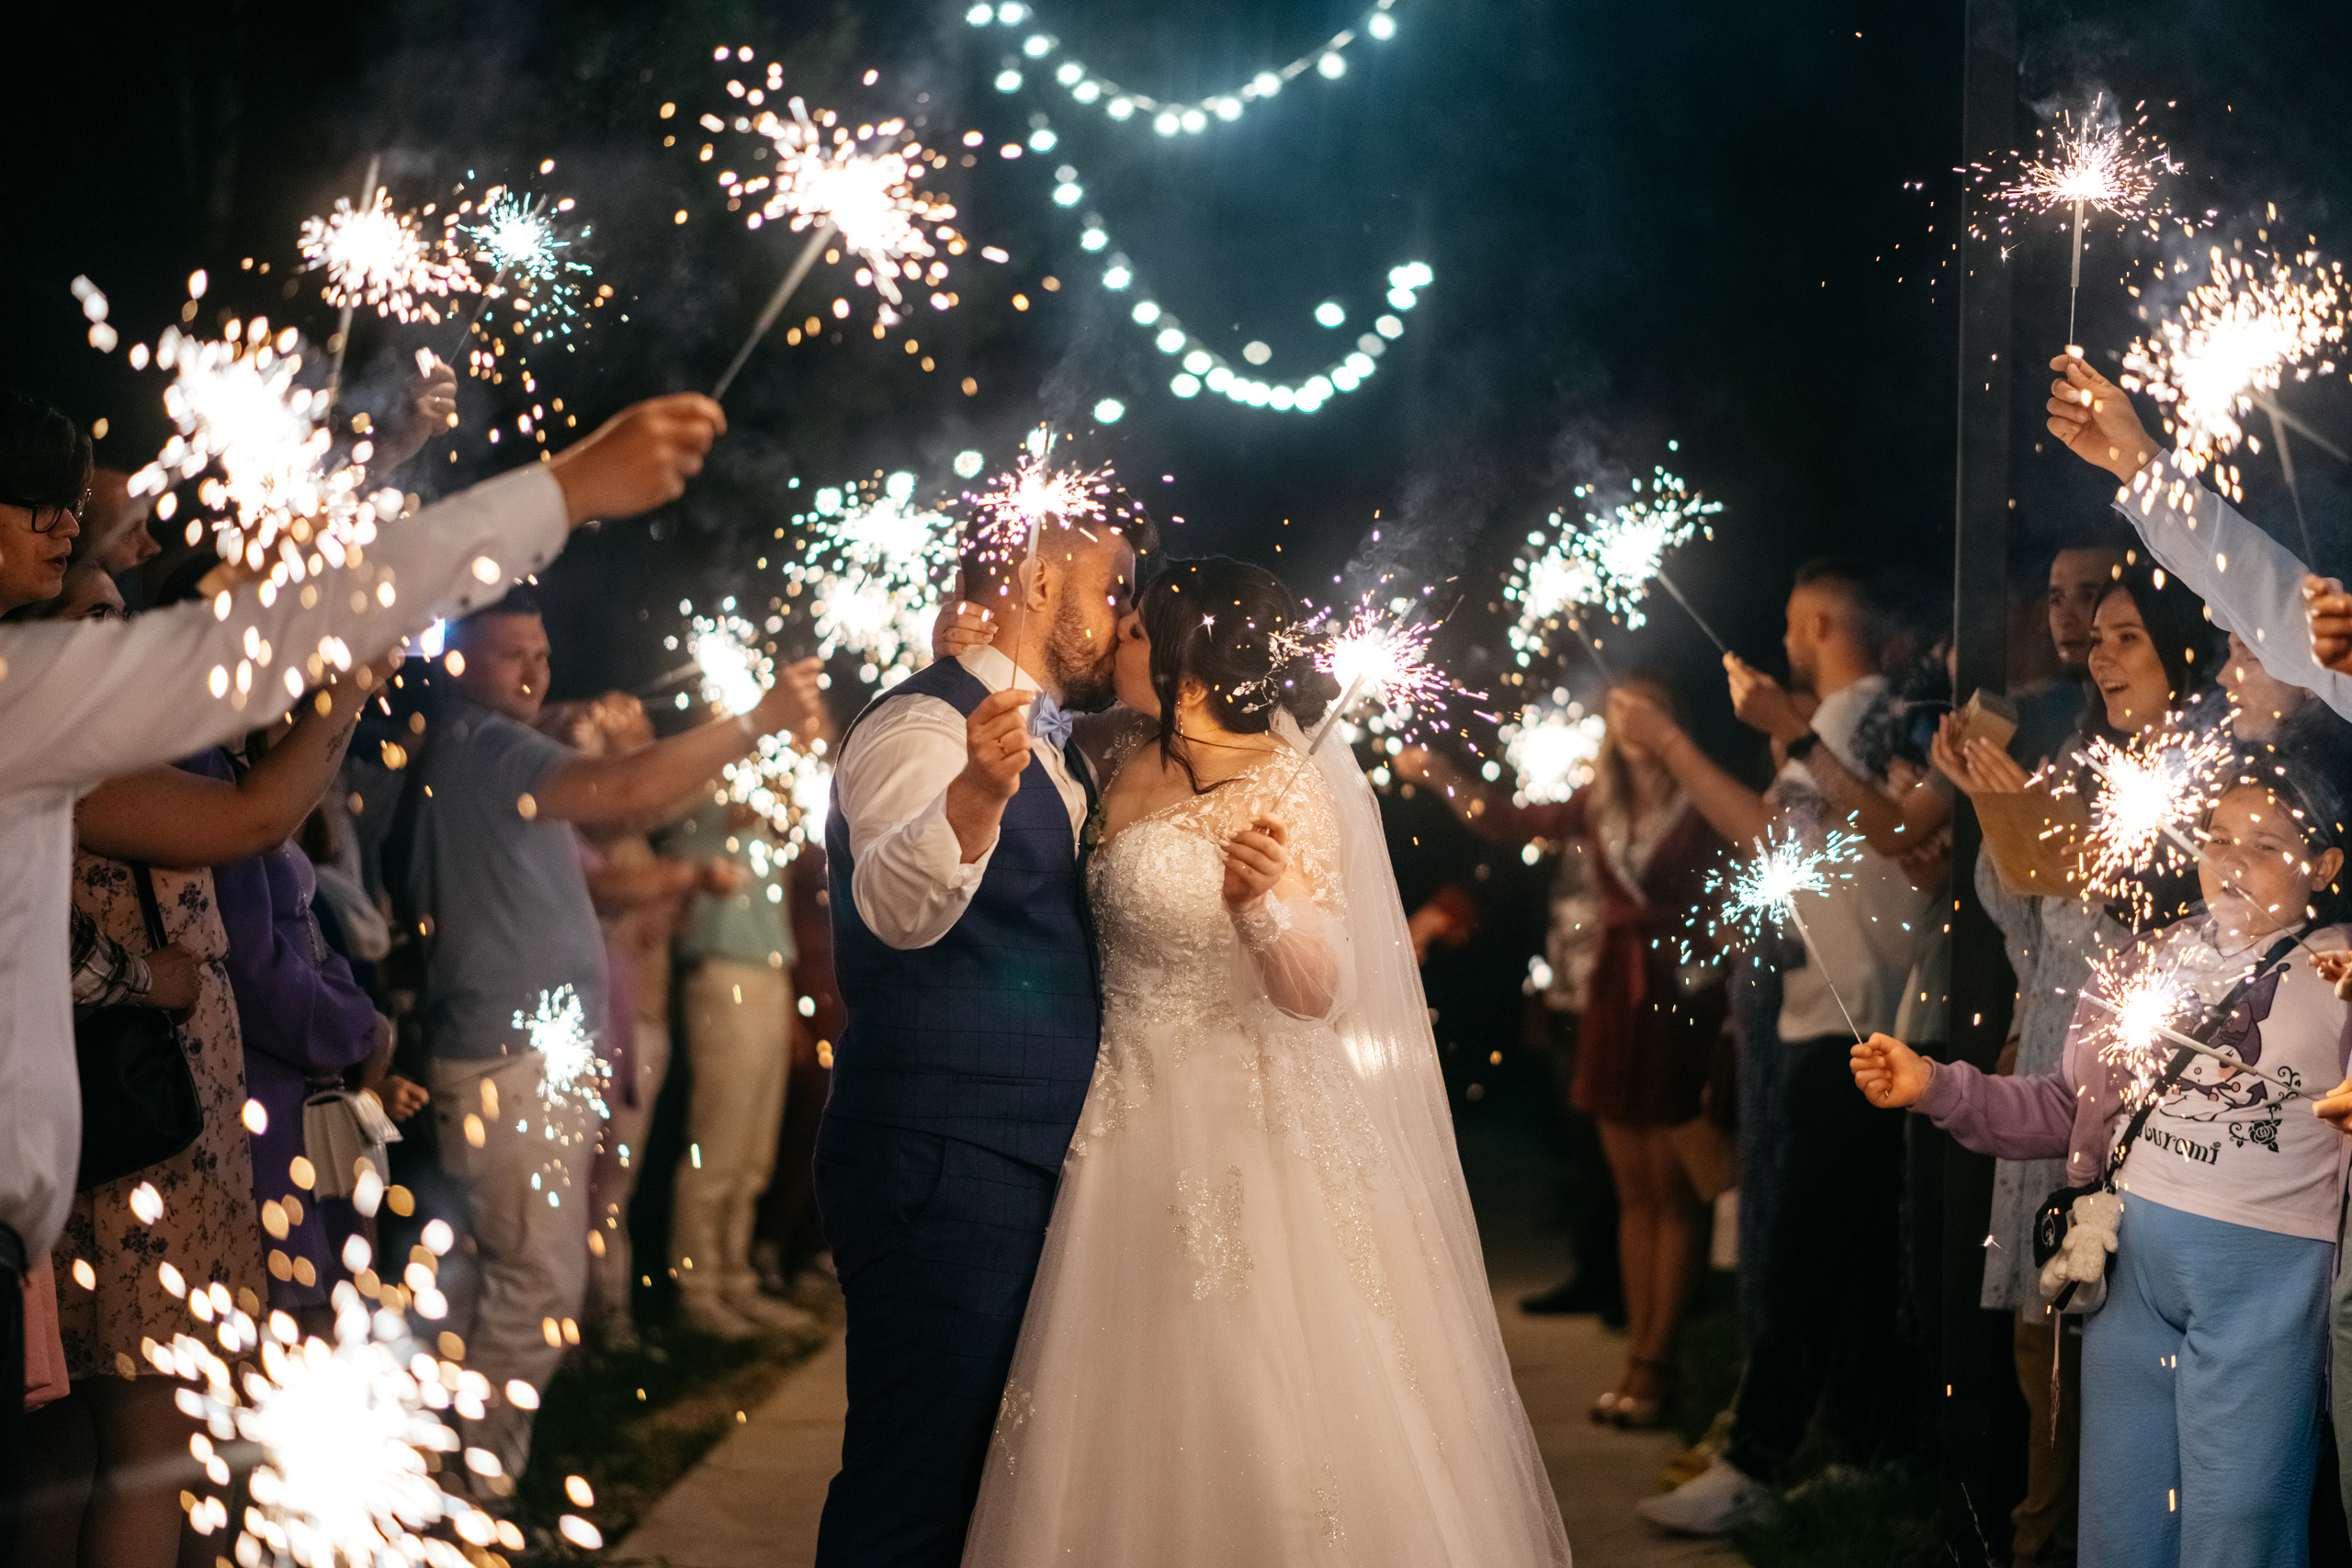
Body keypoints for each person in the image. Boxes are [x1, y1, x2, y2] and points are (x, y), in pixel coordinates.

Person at [0, 386, 729, 1545]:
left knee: (101, 1445)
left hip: (108, 1161)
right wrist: (564, 490)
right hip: (143, 1135)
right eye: (39, 509)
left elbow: (258, 782)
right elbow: (245, 681)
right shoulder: (31, 701)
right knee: (124, 1444)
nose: (113, 629)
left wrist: (345, 662)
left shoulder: (62, 713)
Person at [958, 556, 1571, 1565]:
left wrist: (1263, 914)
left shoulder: (1290, 785)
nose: (1119, 639)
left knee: (1253, 1382)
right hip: (1116, 1114)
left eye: (1141, 629)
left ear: (1192, 659)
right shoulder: (1112, 753)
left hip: (1244, 1126)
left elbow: (1319, 994)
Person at [1854, 772, 2352, 1568]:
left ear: (2323, 866)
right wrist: (1938, 1086)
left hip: (2265, 1282)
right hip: (2129, 1274)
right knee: (2122, 1521)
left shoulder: (2342, 973)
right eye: (2218, 837)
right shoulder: (2150, 958)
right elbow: (2067, 1104)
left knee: (2241, 1524)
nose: (2231, 859)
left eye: (2265, 845)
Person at [400, 584, 820, 1494]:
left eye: (544, 655)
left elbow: (621, 807)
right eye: (515, 654)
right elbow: (626, 791)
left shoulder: (482, 748)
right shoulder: (492, 746)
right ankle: (469, 1488)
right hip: (508, 1060)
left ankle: (444, 1477)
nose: (537, 668)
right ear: (456, 661)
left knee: (486, 1275)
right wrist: (758, 719)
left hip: (512, 1054)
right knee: (540, 1285)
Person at [812, 507, 1144, 1567]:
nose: (1126, 609)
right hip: (942, 1157)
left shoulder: (1063, 747)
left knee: (991, 1494)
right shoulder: (920, 727)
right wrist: (970, 798)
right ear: (1042, 586)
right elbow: (891, 908)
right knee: (914, 1488)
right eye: (1114, 584)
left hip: (1021, 1155)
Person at [1618, 558, 1933, 1535]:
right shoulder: (1828, 731)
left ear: (1820, 623)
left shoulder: (1892, 720)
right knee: (1847, 1258)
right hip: (1817, 1016)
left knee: (1807, 1253)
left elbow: (1898, 840)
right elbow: (1769, 840)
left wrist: (1766, 734)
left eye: (1797, 623)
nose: (1785, 640)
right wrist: (1673, 746)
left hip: (1867, 1021)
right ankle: (1862, 1445)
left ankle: (1758, 1460)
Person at [1397, 674, 1729, 1427]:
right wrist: (1443, 776)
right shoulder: (1597, 802)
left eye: (1645, 708)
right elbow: (1509, 821)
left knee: (1674, 1187)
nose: (1629, 722)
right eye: (1619, 713)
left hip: (1679, 997)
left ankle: (1660, 1362)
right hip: (1614, 995)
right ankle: (1638, 1360)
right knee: (1631, 1187)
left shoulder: (1700, 796)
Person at [664, 794, 822, 1337]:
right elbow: (721, 818)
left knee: (753, 1150)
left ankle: (735, 1278)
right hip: (722, 974)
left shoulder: (768, 817)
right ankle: (696, 1287)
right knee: (720, 1139)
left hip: (768, 978)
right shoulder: (707, 801)